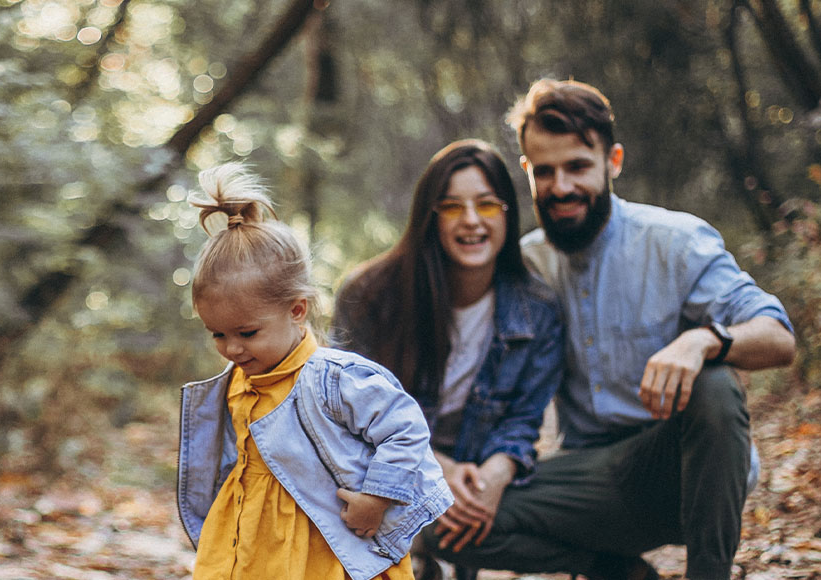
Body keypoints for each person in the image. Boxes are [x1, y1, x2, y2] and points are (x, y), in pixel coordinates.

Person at [432, 79, 797, 580]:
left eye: (578, 166)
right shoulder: (524, 266)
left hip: (686, 474)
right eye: (545, 171)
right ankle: (615, 570)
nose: (561, 187)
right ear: (527, 172)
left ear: (613, 161)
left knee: (714, 384)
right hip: (588, 483)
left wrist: (703, 340)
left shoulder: (675, 242)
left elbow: (779, 337)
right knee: (439, 520)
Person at [176, 163, 454, 580]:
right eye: (217, 334)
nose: (231, 349)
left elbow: (405, 429)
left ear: (297, 310)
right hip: (251, 542)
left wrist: (377, 497)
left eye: (247, 333)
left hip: (322, 548)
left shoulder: (334, 379)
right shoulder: (238, 382)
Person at [331, 140, 565, 577]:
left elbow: (522, 421)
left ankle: (608, 566)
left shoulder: (539, 309)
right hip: (384, 471)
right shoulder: (370, 295)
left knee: (546, 510)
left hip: (478, 473)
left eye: (487, 204)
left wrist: (494, 476)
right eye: (453, 207)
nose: (472, 221)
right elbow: (343, 414)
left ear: (507, 213)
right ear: (430, 217)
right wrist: (436, 469)